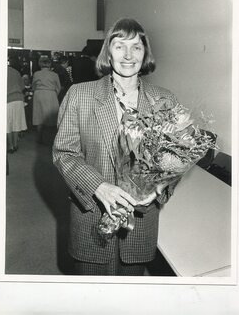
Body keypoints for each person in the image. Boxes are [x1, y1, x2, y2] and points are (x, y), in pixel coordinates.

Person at [53, 18, 179, 276]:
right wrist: (98, 187)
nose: (129, 55)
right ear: (108, 53)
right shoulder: (80, 94)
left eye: (137, 47)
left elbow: (174, 158)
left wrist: (158, 188)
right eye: (120, 46)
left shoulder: (164, 99)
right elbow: (65, 153)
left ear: (145, 54)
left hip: (141, 224)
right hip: (90, 219)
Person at [32, 57, 61, 144]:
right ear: (49, 64)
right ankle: (51, 138)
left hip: (39, 94)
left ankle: (40, 138)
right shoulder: (54, 75)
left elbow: (33, 86)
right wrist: (55, 95)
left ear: (40, 64)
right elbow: (58, 87)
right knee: (51, 116)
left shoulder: (36, 74)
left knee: (39, 116)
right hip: (50, 94)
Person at [7, 61, 27, 153]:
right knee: (16, 123)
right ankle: (15, 145)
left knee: (7, 124)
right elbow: (22, 87)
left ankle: (10, 146)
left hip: (7, 100)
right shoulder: (16, 72)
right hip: (19, 99)